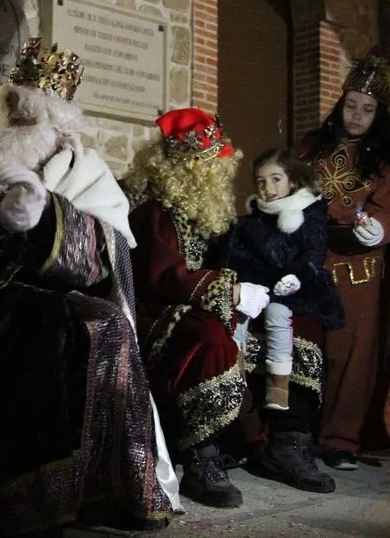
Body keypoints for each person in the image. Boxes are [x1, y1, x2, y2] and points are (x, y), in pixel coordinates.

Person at [0, 37, 178, 533]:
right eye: (13, 108)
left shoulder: (89, 173)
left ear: (60, 122)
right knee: (41, 330)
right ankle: (25, 497)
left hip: (70, 293)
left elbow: (107, 257)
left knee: (110, 325)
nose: (19, 118)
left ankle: (108, 485)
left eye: (31, 112)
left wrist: (47, 214)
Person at [124, 108, 335, 510]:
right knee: (209, 338)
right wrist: (232, 291)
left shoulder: (205, 207)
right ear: (192, 167)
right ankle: (202, 456)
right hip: (162, 311)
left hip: (208, 300)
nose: (224, 173)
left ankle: (287, 443)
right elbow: (164, 276)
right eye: (215, 164)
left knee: (300, 327)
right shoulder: (156, 209)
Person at [297, 54, 390, 471]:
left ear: (379, 114)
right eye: (350, 105)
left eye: (367, 109)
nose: (357, 116)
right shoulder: (311, 146)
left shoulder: (383, 159)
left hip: (358, 267)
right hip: (311, 259)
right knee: (303, 345)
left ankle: (340, 439)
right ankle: (295, 432)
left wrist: (379, 228)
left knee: (350, 354)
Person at [218, 148, 344, 411]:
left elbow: (313, 253)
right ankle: (234, 375)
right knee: (238, 316)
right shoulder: (254, 218)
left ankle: (278, 386)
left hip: (292, 286)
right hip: (257, 283)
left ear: (293, 181)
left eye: (276, 179)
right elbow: (238, 253)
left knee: (277, 314)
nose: (268, 188)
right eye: (261, 181)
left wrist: (297, 276)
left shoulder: (309, 212)